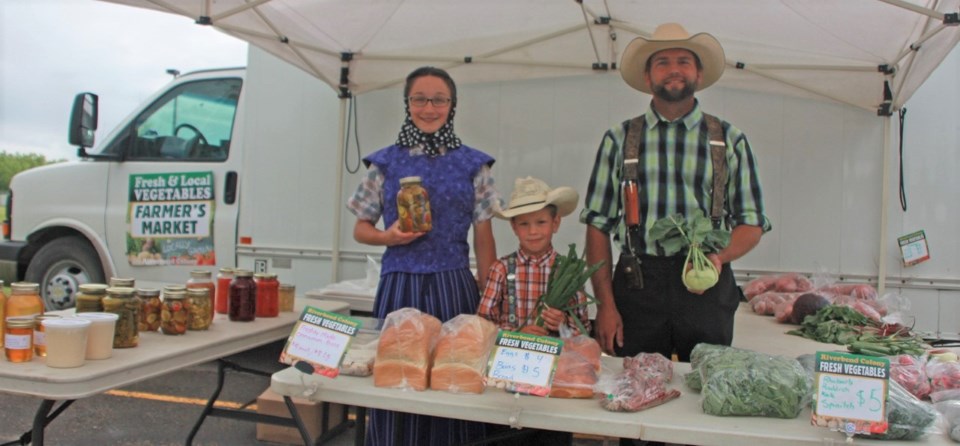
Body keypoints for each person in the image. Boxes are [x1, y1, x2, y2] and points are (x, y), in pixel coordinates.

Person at [581, 23, 772, 365]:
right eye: (663, 62)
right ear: (647, 76)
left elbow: (751, 223)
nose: (674, 70)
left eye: (684, 61)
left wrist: (717, 258)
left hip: (706, 287)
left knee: (704, 391)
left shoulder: (729, 140)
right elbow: (597, 227)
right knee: (634, 388)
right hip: (637, 287)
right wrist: (606, 307)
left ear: (698, 74)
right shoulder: (618, 139)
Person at [346, 66, 500, 446]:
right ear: (407, 104)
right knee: (396, 380)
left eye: (439, 100)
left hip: (454, 283)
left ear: (452, 105)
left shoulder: (474, 165)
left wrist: (488, 293)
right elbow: (361, 229)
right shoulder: (384, 163)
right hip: (400, 282)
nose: (429, 108)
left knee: (455, 379)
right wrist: (390, 236)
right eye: (419, 99)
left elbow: (484, 235)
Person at [477, 176, 587, 446]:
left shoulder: (568, 271)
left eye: (541, 222)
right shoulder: (501, 269)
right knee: (504, 437)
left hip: (554, 381)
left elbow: (583, 332)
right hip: (506, 379)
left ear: (556, 223)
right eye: (524, 224)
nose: (533, 231)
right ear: (514, 227)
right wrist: (517, 334)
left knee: (551, 438)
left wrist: (561, 323)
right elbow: (482, 326)